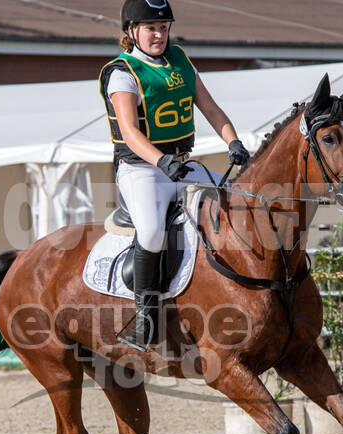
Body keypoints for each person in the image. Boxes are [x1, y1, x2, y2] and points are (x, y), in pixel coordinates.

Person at [99, 0, 250, 350]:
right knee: (152, 234)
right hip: (141, 170)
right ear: (132, 31)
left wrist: (233, 141)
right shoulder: (122, 72)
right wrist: (161, 161)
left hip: (182, 165)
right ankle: (144, 317)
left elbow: (210, 107)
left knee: (240, 199)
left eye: (163, 28)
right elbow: (130, 132)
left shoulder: (180, 59)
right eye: (151, 28)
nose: (159, 35)